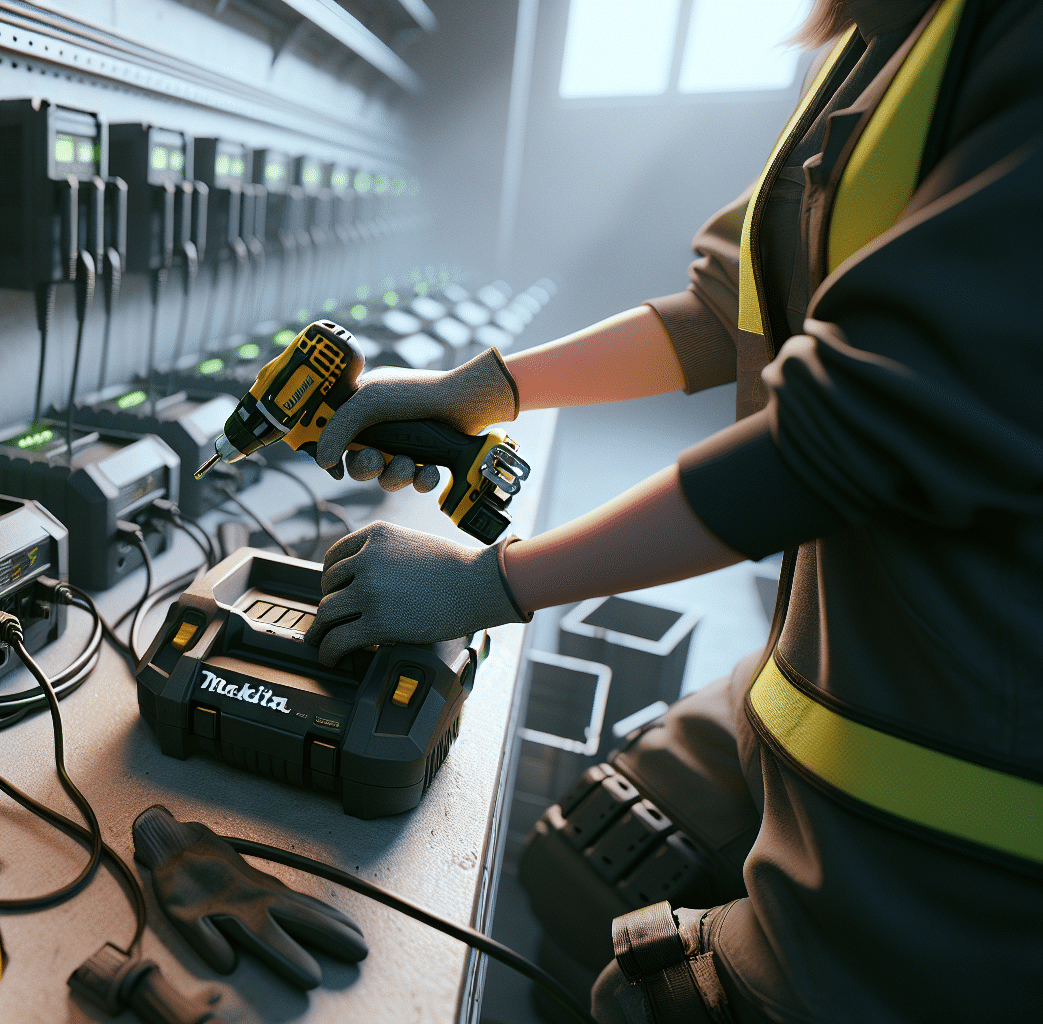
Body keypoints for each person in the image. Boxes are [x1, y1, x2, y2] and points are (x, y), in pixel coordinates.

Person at [301, 0, 1042, 1020]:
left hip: (963, 791)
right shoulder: (881, 45)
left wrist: (488, 583)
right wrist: (476, 387)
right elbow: (720, 312)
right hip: (812, 669)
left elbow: (838, 437)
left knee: (639, 997)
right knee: (573, 869)